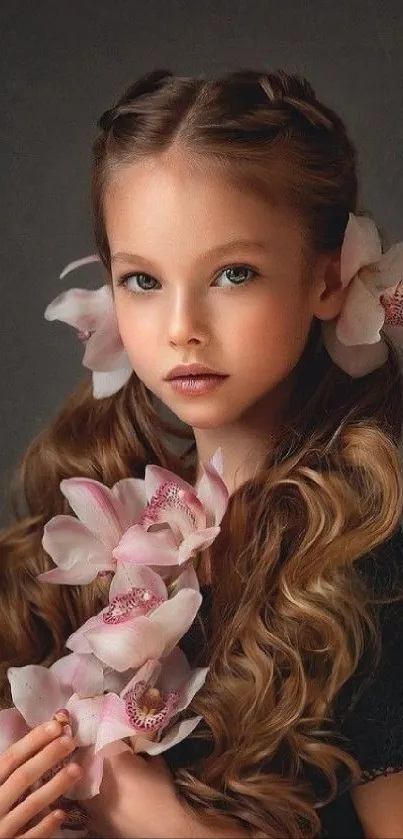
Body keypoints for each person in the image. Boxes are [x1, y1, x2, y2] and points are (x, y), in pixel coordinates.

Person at [1, 66, 403, 839]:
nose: (182, 324)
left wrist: (154, 817)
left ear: (327, 278)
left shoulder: (374, 556)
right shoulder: (98, 528)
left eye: (232, 273)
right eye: (144, 280)